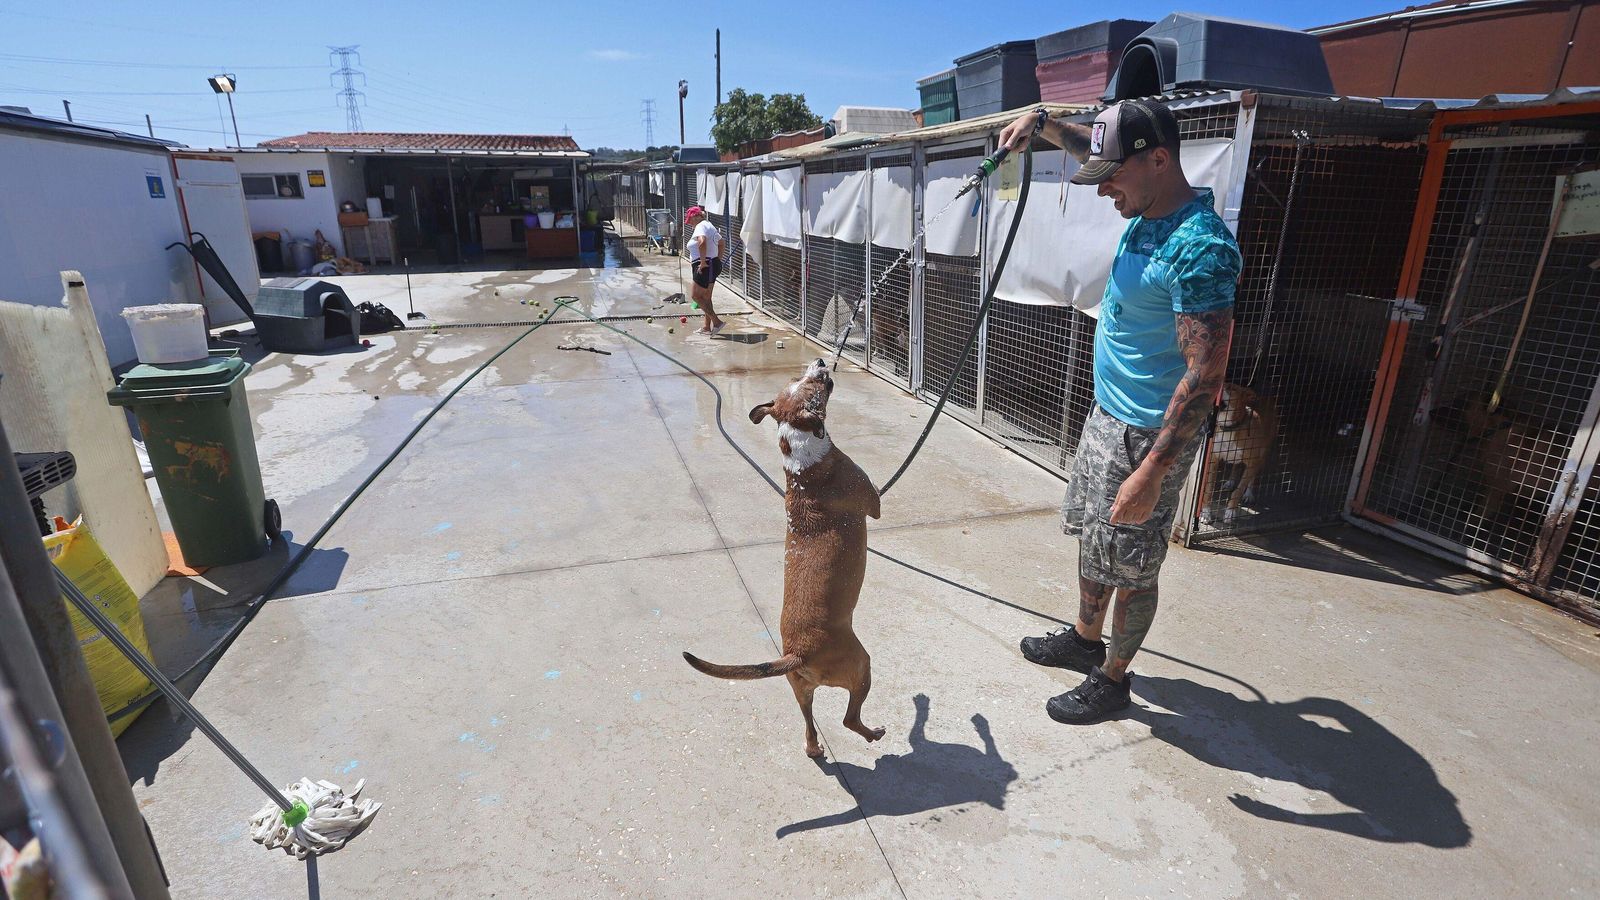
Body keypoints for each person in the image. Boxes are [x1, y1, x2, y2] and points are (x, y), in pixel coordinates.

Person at [994, 100, 1239, 724]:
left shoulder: (1200, 248)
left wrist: (1152, 472)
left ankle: (1113, 679)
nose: (1102, 187)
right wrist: (1043, 124)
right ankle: (1083, 639)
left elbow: (1204, 374)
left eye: (1113, 175)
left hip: (1149, 435)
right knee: (1096, 540)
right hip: (1109, 415)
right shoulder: (1146, 198)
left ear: (1159, 159)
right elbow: (1099, 152)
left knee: (1134, 568)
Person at [684, 206, 726, 335]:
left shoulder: (701, 226)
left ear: (697, 216)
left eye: (690, 219)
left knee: (696, 296)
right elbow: (722, 242)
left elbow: (702, 242)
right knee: (706, 297)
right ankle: (707, 327)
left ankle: (717, 322)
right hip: (712, 264)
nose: (689, 222)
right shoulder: (709, 225)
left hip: (704, 265)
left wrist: (702, 262)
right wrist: (717, 260)